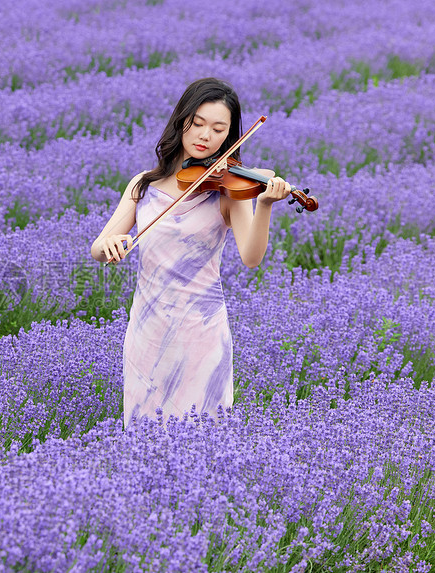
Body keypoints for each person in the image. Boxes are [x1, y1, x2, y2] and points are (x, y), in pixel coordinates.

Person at [90, 77, 292, 429]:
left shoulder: (228, 192)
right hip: (147, 332)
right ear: (181, 121)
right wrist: (107, 246)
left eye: (218, 129)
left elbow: (251, 256)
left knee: (204, 439)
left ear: (229, 137)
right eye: (197, 123)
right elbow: (100, 245)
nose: (204, 135)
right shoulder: (144, 185)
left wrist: (265, 205)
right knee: (142, 437)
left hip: (201, 334)